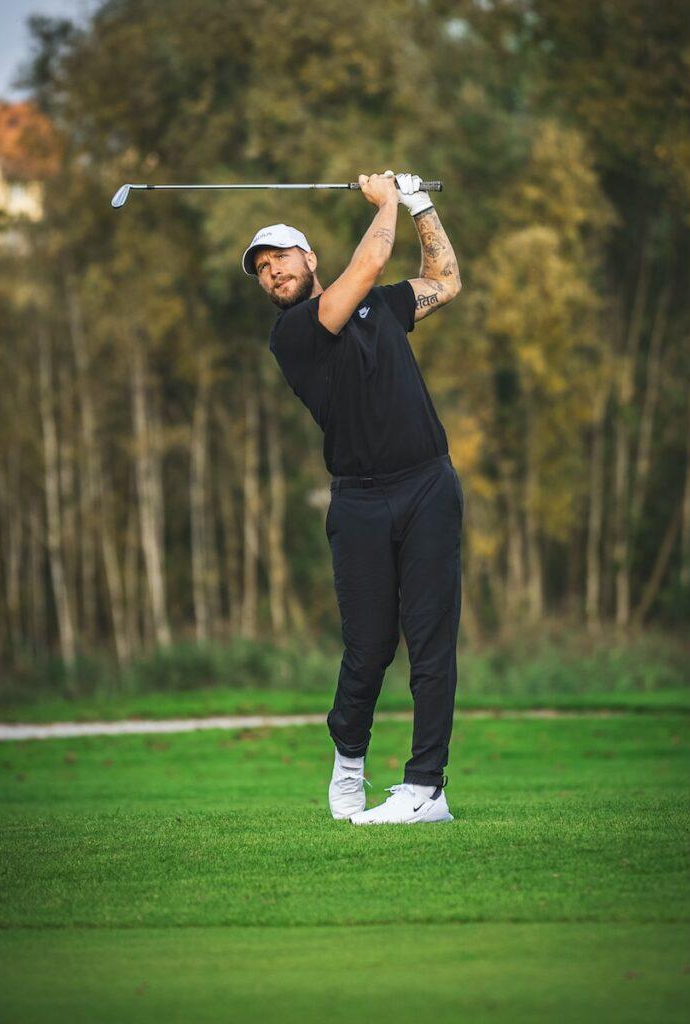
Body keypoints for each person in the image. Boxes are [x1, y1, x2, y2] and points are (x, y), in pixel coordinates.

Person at [241, 171, 464, 824]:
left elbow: (444, 281)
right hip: (360, 502)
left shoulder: (378, 307)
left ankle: (425, 788)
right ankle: (348, 760)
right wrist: (389, 197)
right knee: (368, 648)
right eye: (260, 269)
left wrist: (420, 205)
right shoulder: (296, 334)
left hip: (427, 484)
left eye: (278, 257)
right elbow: (368, 260)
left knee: (430, 644)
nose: (271, 272)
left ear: (307, 257)